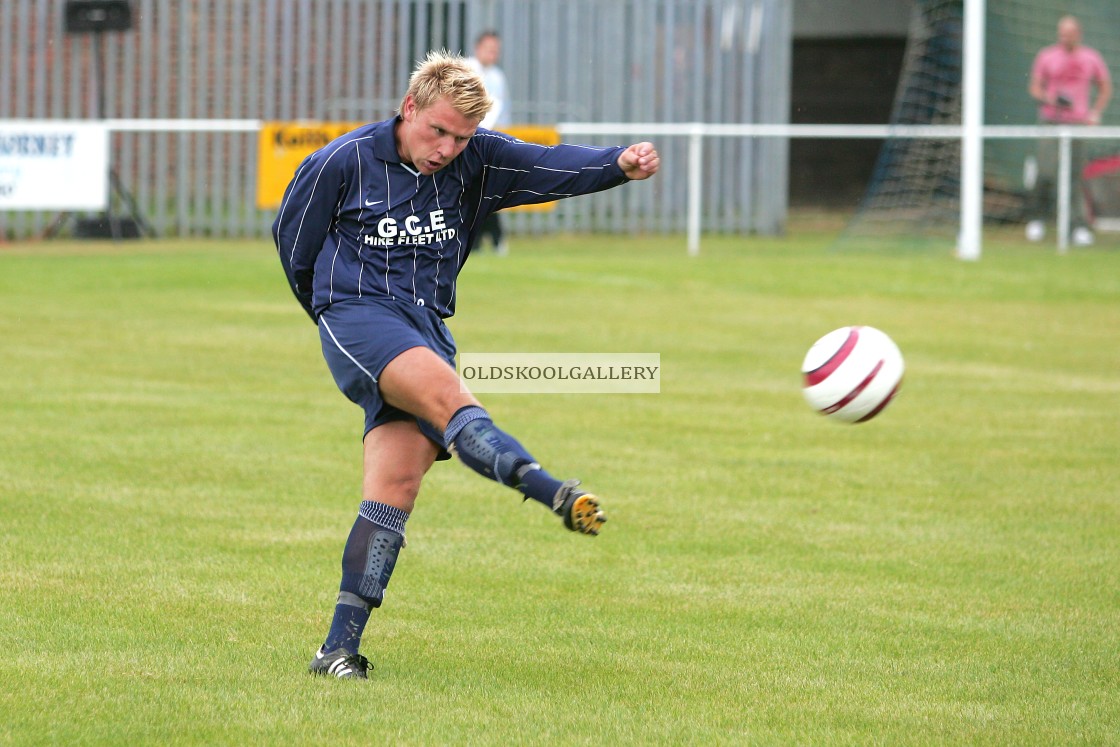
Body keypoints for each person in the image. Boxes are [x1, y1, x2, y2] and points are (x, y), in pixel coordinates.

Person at [272, 50, 659, 680]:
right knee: (452, 402)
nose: (449, 147)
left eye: (461, 137)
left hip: (426, 326)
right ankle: (553, 492)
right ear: (410, 108)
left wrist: (616, 165)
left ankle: (337, 649)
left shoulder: (477, 159)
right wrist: (332, 315)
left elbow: (549, 163)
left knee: (394, 490)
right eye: (438, 131)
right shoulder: (343, 161)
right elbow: (294, 244)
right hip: (359, 316)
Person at [1025, 15, 1112, 245]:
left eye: (1068, 34)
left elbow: (1105, 87)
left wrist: (1094, 112)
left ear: (1078, 34)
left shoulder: (1091, 57)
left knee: (1076, 176)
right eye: (1061, 34)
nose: (1064, 38)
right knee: (1045, 171)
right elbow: (1034, 87)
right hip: (1052, 121)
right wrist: (1050, 98)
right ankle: (1037, 219)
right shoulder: (1047, 55)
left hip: (1078, 123)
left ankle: (1078, 226)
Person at [468, 30, 512, 255]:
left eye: (496, 50)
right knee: (472, 191)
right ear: (478, 49)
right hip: (467, 141)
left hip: (489, 142)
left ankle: (494, 240)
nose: (493, 54)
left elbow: (502, 111)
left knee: (489, 190)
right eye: (489, 49)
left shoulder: (497, 77)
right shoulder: (466, 70)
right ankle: (479, 241)